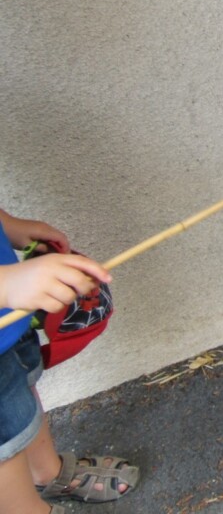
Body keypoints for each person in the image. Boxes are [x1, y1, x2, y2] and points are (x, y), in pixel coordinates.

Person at [0, 208, 139, 511]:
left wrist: (6, 225)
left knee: (22, 391)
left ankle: (48, 473)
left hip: (10, 318)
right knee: (4, 445)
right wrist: (5, 284)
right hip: (7, 297)